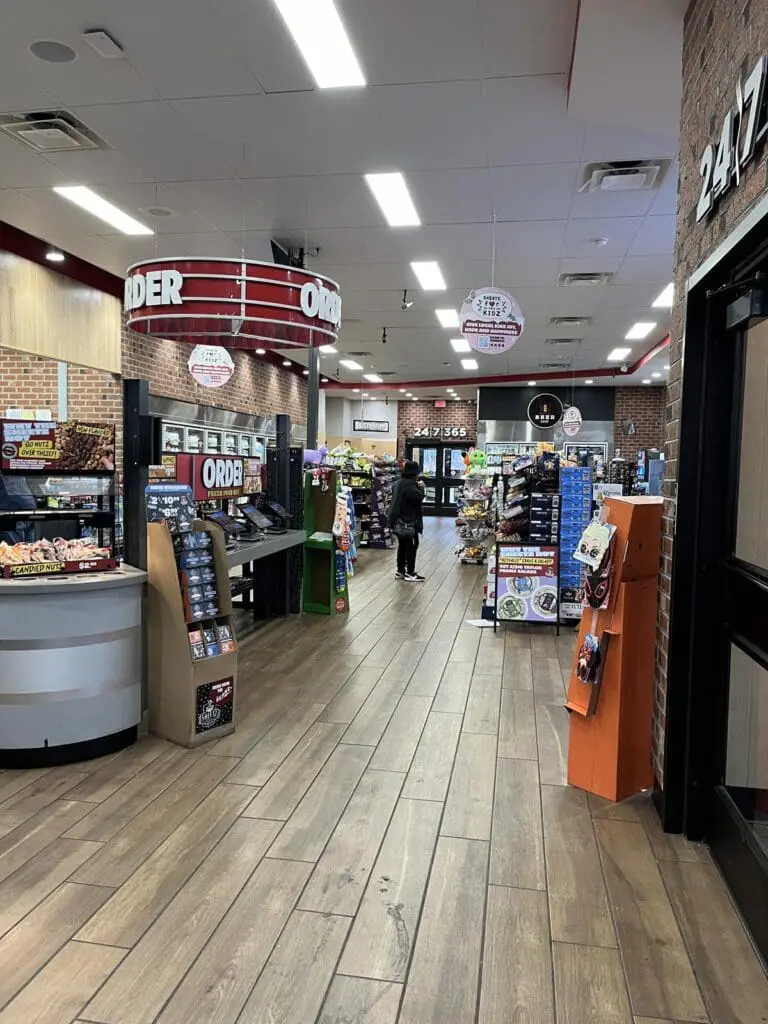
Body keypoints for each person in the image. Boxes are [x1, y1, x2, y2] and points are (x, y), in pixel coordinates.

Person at [389, 460, 425, 581]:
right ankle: (410, 572)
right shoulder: (409, 484)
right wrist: (422, 489)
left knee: (402, 545)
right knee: (412, 545)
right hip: (408, 520)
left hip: (397, 520)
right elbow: (417, 498)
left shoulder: (398, 483)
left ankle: (400, 571)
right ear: (414, 473)